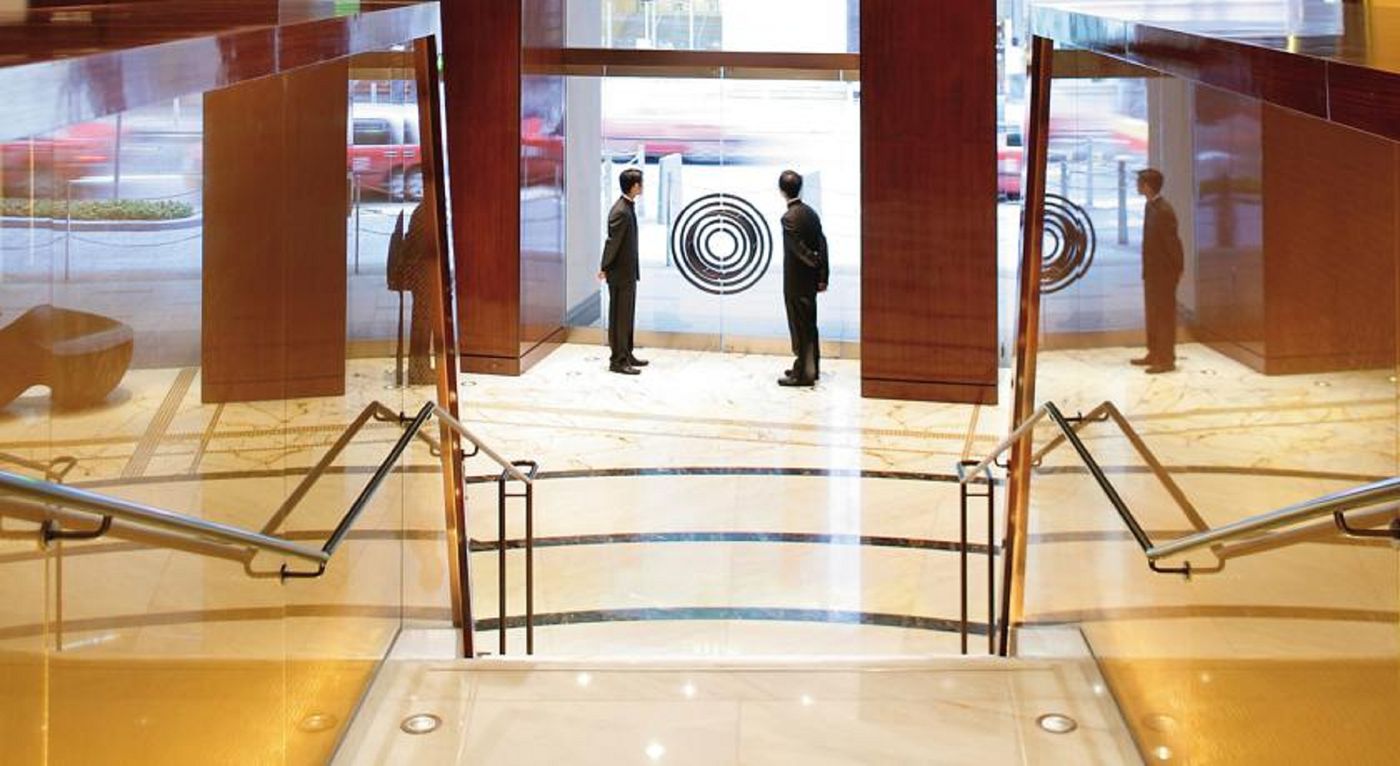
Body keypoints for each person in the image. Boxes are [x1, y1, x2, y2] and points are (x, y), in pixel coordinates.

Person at [777, 170, 828, 387]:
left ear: (781, 190)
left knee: (799, 326)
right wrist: (822, 275)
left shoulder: (789, 218)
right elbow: (823, 244)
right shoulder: (811, 213)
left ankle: (804, 373)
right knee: (809, 325)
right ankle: (810, 367)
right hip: (810, 281)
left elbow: (798, 250)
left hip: (796, 282)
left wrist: (814, 261)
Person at [1133, 168, 1184, 374]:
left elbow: (1173, 243)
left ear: (1147, 186)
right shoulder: (1150, 206)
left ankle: (1166, 358)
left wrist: (1177, 269)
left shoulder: (1164, 210)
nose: (1137, 186)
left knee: (1164, 316)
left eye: (1140, 183)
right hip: (1153, 272)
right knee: (1153, 314)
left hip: (1164, 274)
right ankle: (1154, 352)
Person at [599, 168, 647, 375]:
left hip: (627, 272)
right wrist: (604, 267)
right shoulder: (620, 211)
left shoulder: (627, 207)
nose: (642, 186)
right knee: (619, 317)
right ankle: (617, 360)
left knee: (626, 315)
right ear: (634, 186)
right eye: (641, 183)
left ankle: (626, 353)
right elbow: (612, 243)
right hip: (619, 274)